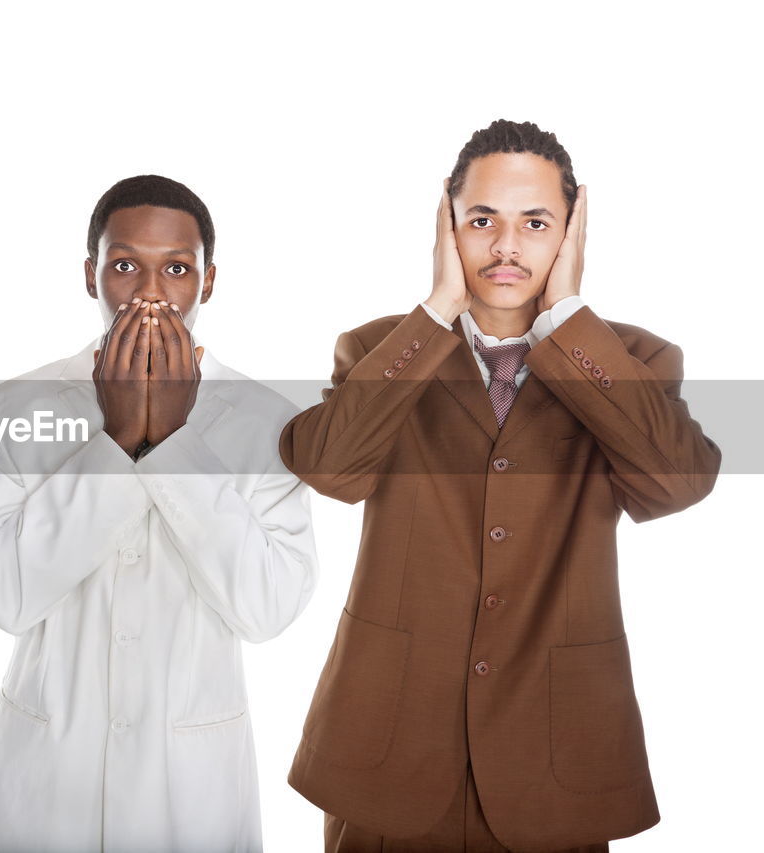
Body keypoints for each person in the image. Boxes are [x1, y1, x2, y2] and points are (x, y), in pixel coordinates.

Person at [280, 119, 722, 852]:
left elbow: (676, 482)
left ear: (572, 233)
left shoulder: (629, 359)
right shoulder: (382, 348)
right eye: (482, 219)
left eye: (536, 222)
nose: (507, 246)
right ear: (446, 225)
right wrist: (435, 310)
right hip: (391, 754)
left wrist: (569, 319)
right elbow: (330, 468)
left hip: (555, 756)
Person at [0, 175, 318, 852]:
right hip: (41, 783)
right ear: (91, 275)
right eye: (125, 266)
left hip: (192, 792)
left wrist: (175, 443)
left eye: (177, 268)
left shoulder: (273, 425)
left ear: (208, 282)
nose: (150, 293)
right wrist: (117, 441)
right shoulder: (10, 410)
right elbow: (2, 595)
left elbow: (268, 607)